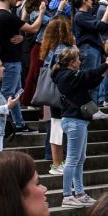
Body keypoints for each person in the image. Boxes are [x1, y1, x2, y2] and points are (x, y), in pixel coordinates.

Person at [51, 34, 108, 208]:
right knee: (72, 159)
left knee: (80, 159)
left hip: (78, 120)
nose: (80, 62)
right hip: (73, 121)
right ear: (72, 62)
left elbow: (91, 80)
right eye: (78, 59)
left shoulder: (70, 75)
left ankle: (79, 193)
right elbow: (88, 75)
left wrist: (105, 66)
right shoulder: (66, 76)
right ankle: (67, 195)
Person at [0, 0, 33, 133]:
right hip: (11, 60)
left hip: (7, 57)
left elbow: (17, 28)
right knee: (7, 93)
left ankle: (19, 123)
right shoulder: (7, 16)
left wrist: (21, 36)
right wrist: (42, 13)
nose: (16, 0)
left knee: (15, 93)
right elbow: (34, 28)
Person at [34, 15, 76, 172]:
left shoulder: (49, 49)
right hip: (62, 93)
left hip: (53, 94)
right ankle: (58, 164)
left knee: (56, 126)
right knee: (59, 128)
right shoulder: (62, 49)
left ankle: (57, 163)